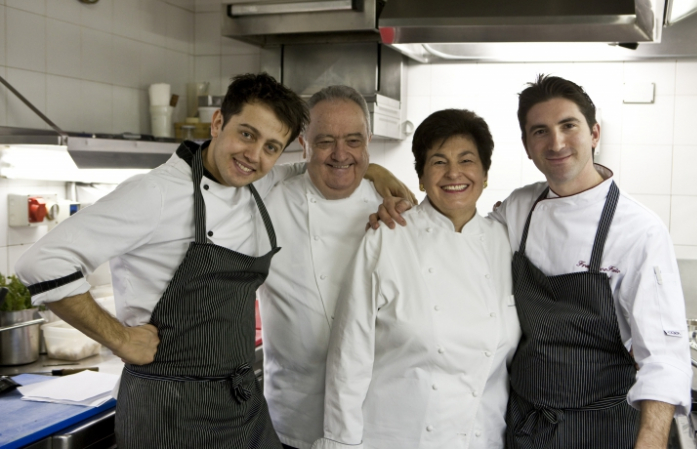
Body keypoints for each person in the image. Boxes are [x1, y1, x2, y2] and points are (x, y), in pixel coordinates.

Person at [16, 73, 407, 449]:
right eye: (247, 134)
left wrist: (375, 170)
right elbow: (42, 261)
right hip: (171, 411)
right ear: (218, 122)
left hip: (240, 405)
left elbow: (326, 167)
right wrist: (120, 340)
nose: (254, 156)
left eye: (271, 146)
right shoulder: (157, 193)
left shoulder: (258, 183)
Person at [371, 75, 692, 449]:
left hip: (600, 428)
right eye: (540, 131)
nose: (556, 142)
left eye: (568, 126)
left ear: (594, 133)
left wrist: (651, 442)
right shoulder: (520, 208)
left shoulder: (639, 230)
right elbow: (455, 232)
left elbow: (665, 357)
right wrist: (379, 182)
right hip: (524, 426)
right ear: (527, 146)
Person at [313, 109, 521, 449]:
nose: (454, 173)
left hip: (481, 437)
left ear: (484, 174)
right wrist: (341, 442)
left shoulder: (504, 241)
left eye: (467, 160)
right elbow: (349, 353)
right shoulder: (389, 236)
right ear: (421, 177)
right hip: (398, 437)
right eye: (438, 162)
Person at [258, 85, 415, 449]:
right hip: (293, 416)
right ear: (303, 143)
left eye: (354, 140)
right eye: (325, 141)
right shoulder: (267, 202)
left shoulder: (395, 209)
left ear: (369, 141)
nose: (341, 154)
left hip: (378, 418)